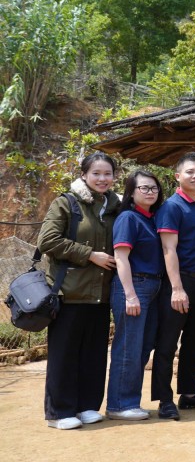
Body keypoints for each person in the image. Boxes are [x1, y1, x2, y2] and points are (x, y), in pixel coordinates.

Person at [38, 152, 120, 430]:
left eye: (107, 173)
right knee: (64, 354)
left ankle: (87, 406)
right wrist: (89, 255)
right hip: (68, 292)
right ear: (84, 174)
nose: (102, 178)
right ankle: (59, 412)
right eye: (96, 173)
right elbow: (48, 240)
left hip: (100, 293)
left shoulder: (114, 207)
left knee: (94, 353)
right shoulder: (66, 203)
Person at [153, 152, 195, 420]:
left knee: (193, 340)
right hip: (180, 282)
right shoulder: (171, 206)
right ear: (178, 176)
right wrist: (177, 288)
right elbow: (169, 249)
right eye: (190, 172)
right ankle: (164, 399)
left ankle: (189, 393)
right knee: (167, 343)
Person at [106, 170, 165, 421]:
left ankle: (130, 401)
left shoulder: (152, 218)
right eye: (144, 188)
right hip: (134, 286)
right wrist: (130, 295)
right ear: (131, 192)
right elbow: (121, 258)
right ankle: (119, 404)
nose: (150, 192)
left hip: (153, 287)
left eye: (154, 188)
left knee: (143, 346)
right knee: (129, 346)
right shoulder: (128, 218)